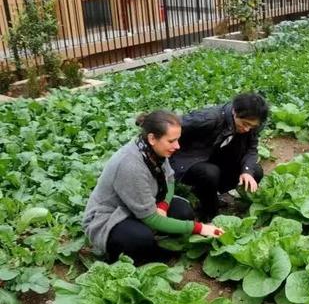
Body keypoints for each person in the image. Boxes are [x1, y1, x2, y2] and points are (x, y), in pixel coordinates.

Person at [83, 110, 223, 264]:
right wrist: (200, 228)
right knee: (139, 239)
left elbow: (169, 181)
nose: (177, 146)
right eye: (171, 141)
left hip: (142, 204)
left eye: (178, 140)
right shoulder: (130, 165)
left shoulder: (155, 150)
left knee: (183, 211)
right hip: (110, 217)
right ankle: (129, 252)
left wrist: (163, 205)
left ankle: (151, 241)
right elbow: (151, 218)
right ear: (152, 138)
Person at [171, 93, 268, 221]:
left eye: (252, 126)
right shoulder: (208, 118)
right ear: (234, 111)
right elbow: (170, 126)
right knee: (210, 173)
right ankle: (209, 214)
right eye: (244, 124)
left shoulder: (252, 125)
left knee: (255, 170)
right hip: (189, 158)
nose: (247, 129)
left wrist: (247, 172)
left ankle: (210, 193)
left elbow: (251, 149)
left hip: (216, 156)